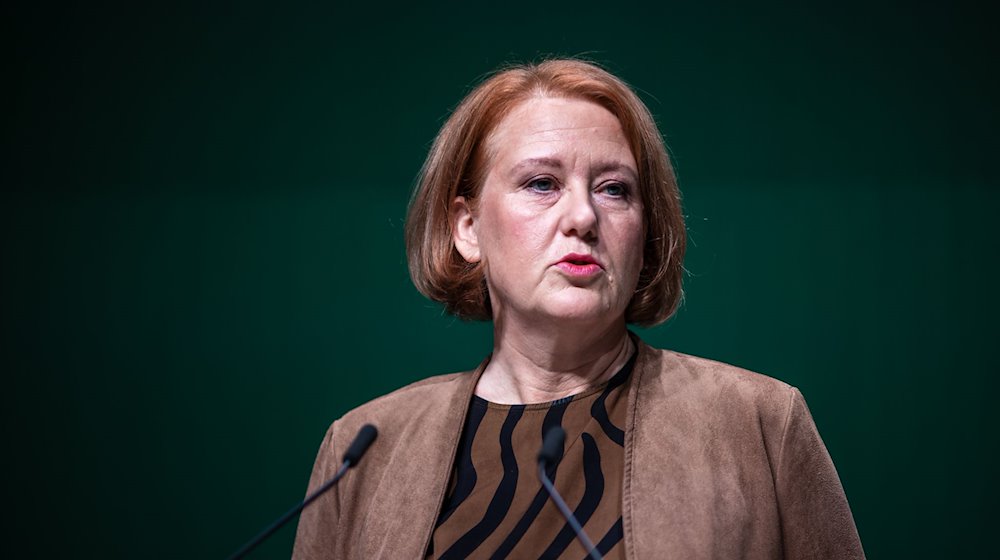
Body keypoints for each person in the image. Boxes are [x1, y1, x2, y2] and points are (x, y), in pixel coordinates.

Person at [292, 59, 865, 559]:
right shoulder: (362, 450)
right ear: (467, 228)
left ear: (644, 232)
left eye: (614, 189)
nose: (584, 218)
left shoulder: (761, 423)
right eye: (542, 183)